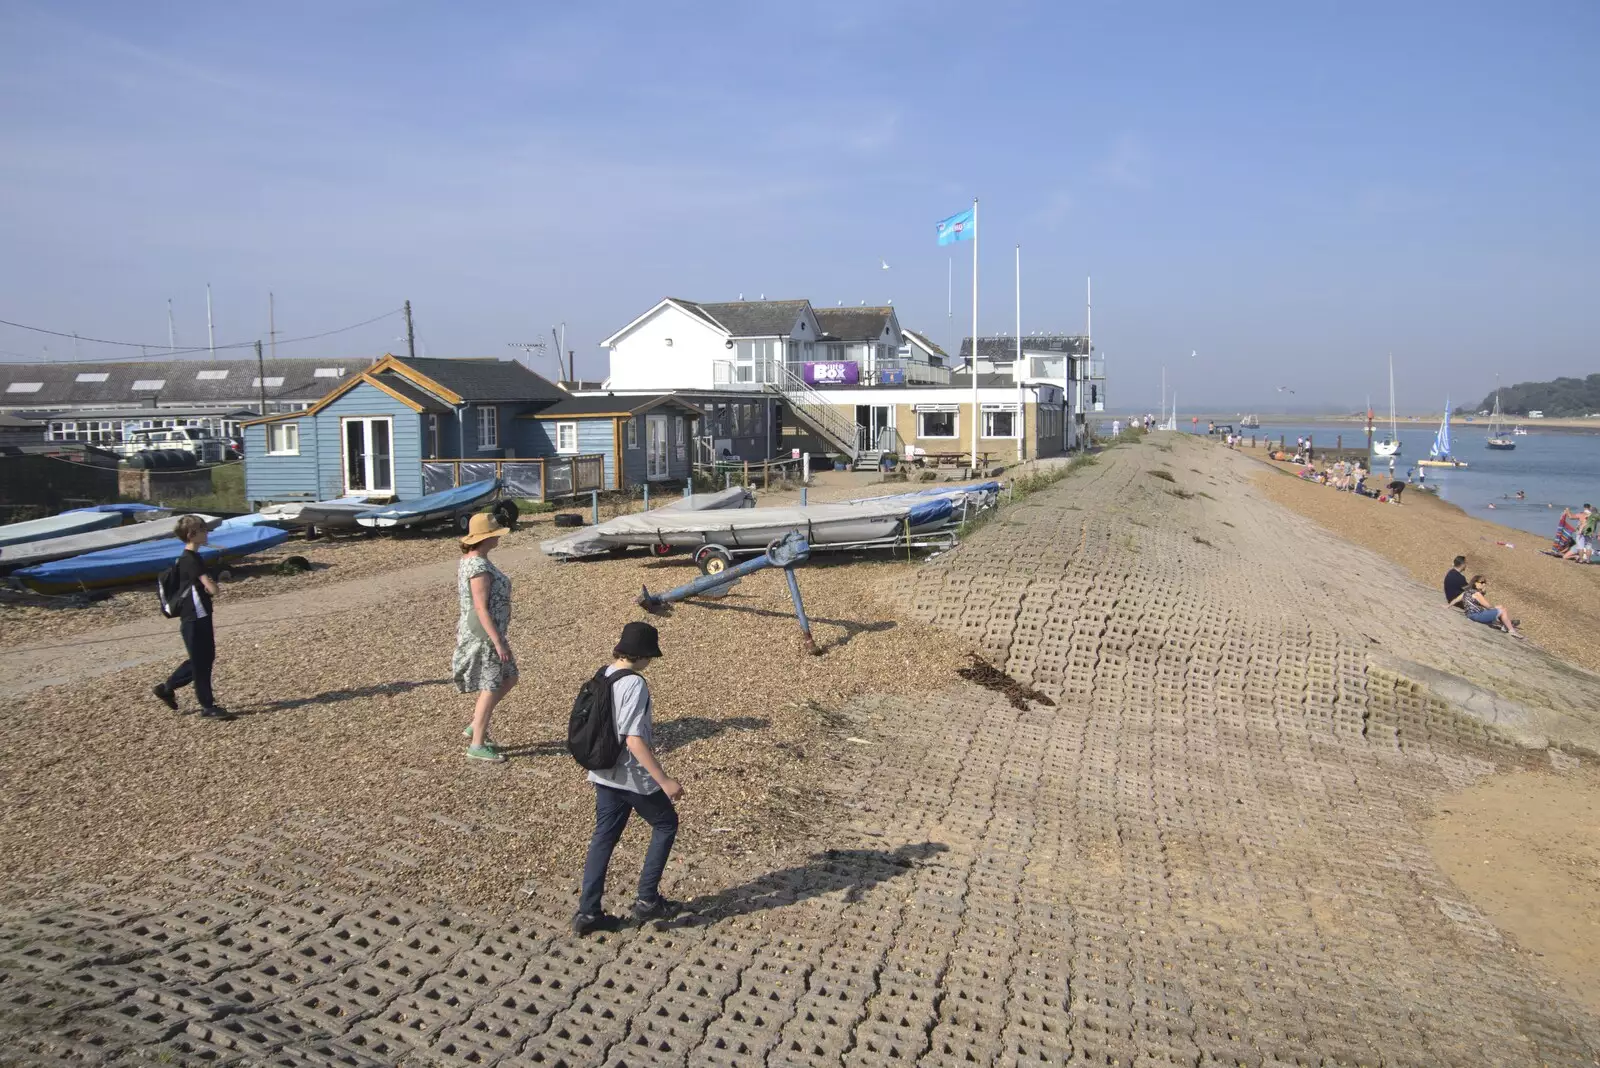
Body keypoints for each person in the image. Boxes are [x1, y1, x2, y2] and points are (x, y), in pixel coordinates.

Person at [574, 621, 684, 935]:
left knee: (603, 839)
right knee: (666, 824)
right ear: (644, 654)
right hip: (630, 776)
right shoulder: (635, 684)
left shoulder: (604, 673)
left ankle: (588, 912)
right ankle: (647, 900)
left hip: (602, 771)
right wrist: (664, 781)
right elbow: (634, 740)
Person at [151, 515, 232, 720]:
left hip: (198, 614)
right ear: (191, 535)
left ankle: (167, 687)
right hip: (195, 616)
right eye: (203, 530)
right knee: (201, 662)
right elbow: (212, 589)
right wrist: (215, 582)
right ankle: (207, 706)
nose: (207, 533)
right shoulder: (192, 560)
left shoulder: (187, 559)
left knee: (202, 658)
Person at [453, 512, 518, 762]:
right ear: (485, 538)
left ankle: (475, 724)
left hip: (492, 632)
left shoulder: (474, 559)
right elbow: (480, 607)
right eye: (494, 535)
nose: (497, 538)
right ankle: (477, 744)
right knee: (490, 686)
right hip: (485, 635)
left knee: (510, 677)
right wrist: (497, 641)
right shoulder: (477, 566)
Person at [1454, 575, 1522, 638]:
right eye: (1482, 582)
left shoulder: (1467, 591)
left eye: (1485, 582)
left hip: (1470, 614)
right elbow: (1488, 606)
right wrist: (1496, 607)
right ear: (1475, 583)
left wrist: (1447, 606)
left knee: (1501, 609)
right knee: (1503, 610)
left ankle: (1505, 625)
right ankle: (1511, 631)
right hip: (1476, 615)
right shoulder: (1477, 593)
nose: (1484, 584)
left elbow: (1457, 599)